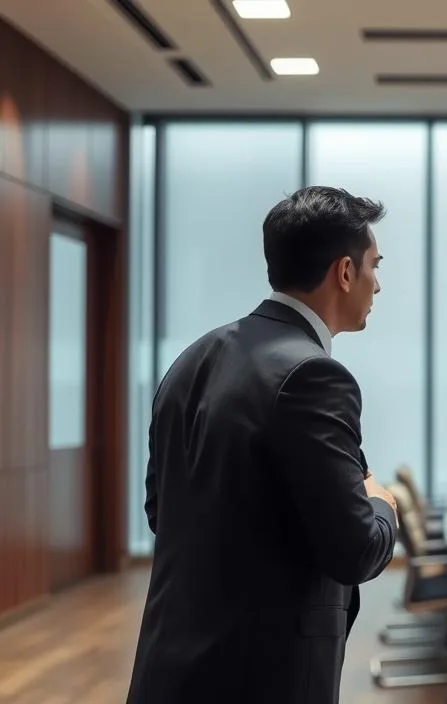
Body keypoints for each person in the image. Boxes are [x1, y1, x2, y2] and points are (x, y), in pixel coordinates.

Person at [127, 186, 398, 704]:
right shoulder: (315, 374)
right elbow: (356, 550)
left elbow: (163, 510)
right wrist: (383, 502)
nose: (378, 285)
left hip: (169, 666)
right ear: (345, 272)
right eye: (374, 267)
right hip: (262, 675)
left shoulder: (191, 359)